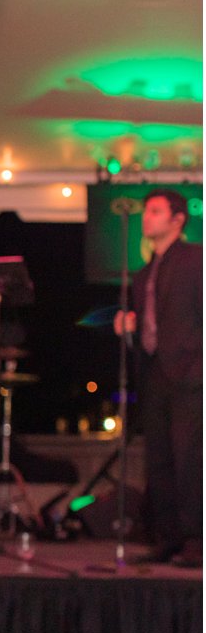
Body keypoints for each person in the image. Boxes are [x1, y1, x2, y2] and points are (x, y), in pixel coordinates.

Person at [114, 188, 203, 567]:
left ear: (177, 219)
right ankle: (167, 537)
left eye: (154, 211)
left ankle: (197, 540)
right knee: (160, 459)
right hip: (155, 373)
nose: (146, 218)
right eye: (146, 212)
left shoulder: (196, 259)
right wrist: (127, 327)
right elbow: (150, 323)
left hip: (191, 373)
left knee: (191, 459)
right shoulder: (144, 272)